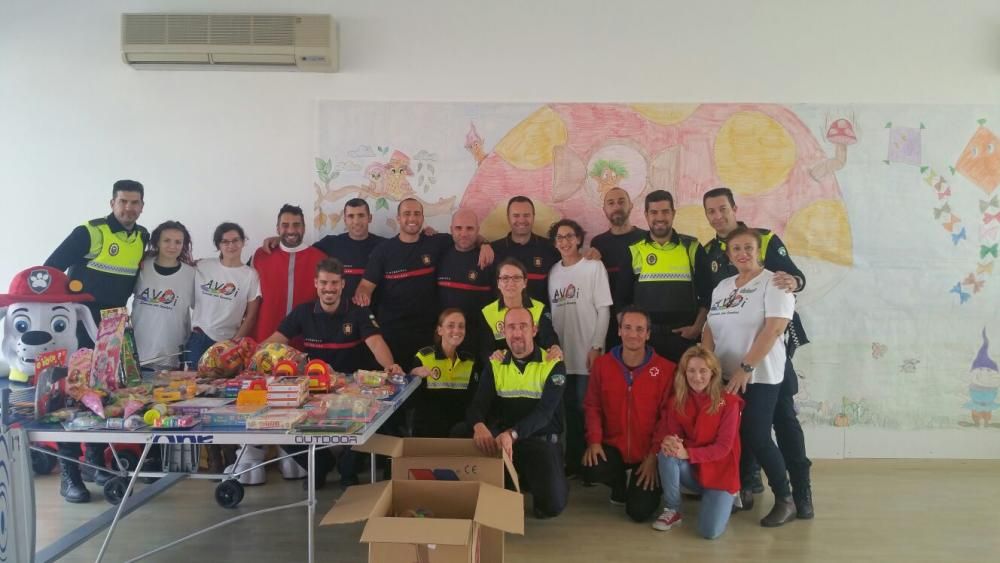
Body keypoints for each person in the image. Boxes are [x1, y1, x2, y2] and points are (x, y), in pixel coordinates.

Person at [702, 186, 813, 518]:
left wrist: (746, 368)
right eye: (736, 249)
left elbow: (774, 328)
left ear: (759, 249)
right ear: (728, 254)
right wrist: (708, 365)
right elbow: (709, 325)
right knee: (737, 434)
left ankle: (791, 497)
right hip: (725, 375)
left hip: (761, 374)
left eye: (748, 248)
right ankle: (742, 490)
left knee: (765, 431)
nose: (742, 253)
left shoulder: (774, 281)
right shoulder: (723, 286)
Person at [44, 179, 149, 503]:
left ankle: (93, 464)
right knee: (72, 400)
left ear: (142, 206)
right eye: (123, 202)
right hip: (77, 330)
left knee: (104, 398)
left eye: (135, 203)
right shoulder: (90, 232)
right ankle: (70, 475)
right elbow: (50, 270)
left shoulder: (142, 236)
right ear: (112, 203)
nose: (129, 208)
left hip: (112, 330)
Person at [263, 257, 402, 487]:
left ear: (343, 285)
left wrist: (389, 366)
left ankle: (348, 467)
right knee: (277, 422)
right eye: (324, 283)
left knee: (377, 420)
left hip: (351, 390)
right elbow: (274, 344)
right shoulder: (302, 312)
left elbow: (376, 343)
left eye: (334, 283)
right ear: (316, 283)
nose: (329, 288)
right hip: (313, 391)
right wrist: (250, 356)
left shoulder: (358, 312)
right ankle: (319, 464)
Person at [466, 307, 569, 518]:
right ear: (504, 331)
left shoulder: (553, 364)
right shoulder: (496, 363)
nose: (517, 333)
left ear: (534, 330)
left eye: (523, 326)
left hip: (538, 441)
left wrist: (512, 434)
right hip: (504, 444)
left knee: (552, 508)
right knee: (462, 432)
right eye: (512, 327)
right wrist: (479, 426)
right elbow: (477, 405)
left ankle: (547, 481)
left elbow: (545, 413)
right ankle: (510, 484)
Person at [582, 306, 674, 522]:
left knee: (639, 513)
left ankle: (647, 483)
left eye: (640, 329)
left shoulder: (667, 369)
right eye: (628, 328)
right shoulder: (602, 365)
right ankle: (618, 484)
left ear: (648, 334)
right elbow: (592, 406)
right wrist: (594, 442)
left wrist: (654, 457)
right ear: (619, 331)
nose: (633, 334)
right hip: (614, 448)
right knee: (591, 468)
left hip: (649, 453)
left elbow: (668, 418)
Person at [652, 345, 743, 539]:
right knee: (667, 451)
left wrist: (688, 454)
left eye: (703, 371)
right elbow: (674, 436)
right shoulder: (678, 401)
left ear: (713, 373)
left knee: (708, 532)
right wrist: (670, 442)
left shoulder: (728, 402)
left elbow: (724, 448)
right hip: (694, 472)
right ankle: (673, 509)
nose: (697, 377)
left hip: (720, 475)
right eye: (691, 371)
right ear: (684, 373)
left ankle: (728, 497)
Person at [547, 218, 612, 477]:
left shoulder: (594, 267)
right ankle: (574, 465)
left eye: (569, 236)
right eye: (559, 237)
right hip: (562, 356)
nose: (564, 241)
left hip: (588, 355)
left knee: (589, 412)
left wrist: (596, 346)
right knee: (568, 413)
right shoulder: (553, 272)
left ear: (578, 239)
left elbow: (604, 310)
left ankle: (593, 469)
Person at [615, 190, 712, 363]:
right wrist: (631, 334)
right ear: (646, 215)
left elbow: (708, 295)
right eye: (654, 212)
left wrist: (697, 328)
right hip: (646, 342)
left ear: (673, 213)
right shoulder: (634, 250)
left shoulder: (692, 247)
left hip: (684, 341)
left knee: (683, 390)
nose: (660, 217)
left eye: (665, 211)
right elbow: (621, 300)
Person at [183, 222, 261, 369]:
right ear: (218, 245)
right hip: (199, 338)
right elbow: (176, 264)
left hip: (228, 342)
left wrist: (234, 344)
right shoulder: (202, 266)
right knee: (195, 386)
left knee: (224, 388)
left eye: (236, 240)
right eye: (225, 241)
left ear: (243, 242)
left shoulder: (250, 275)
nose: (231, 245)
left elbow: (251, 316)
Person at [250, 204, 326, 343]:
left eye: (296, 225)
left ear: (304, 228)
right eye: (285, 225)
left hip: (305, 339)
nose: (291, 230)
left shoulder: (320, 259)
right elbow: (248, 297)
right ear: (277, 228)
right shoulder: (261, 255)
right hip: (265, 338)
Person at [589, 187, 647, 350]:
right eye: (611, 203)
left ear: (631, 205)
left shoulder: (646, 239)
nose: (616, 206)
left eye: (621, 202)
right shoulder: (598, 243)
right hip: (609, 322)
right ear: (604, 210)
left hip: (641, 322)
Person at [132, 221, 195, 370]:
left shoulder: (191, 274)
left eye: (178, 242)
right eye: (167, 240)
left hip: (171, 355)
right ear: (157, 242)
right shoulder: (141, 267)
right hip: (137, 353)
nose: (172, 246)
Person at [436, 209, 494, 358]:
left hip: (480, 342)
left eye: (470, 228)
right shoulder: (439, 252)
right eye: (458, 228)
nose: (464, 233)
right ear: (451, 230)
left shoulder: (489, 258)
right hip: (445, 341)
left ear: (478, 230)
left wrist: (485, 243)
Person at [410, 309, 476, 438]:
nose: (456, 330)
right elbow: (411, 402)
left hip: (459, 435)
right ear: (440, 330)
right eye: (450, 326)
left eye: (461, 326)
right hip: (428, 435)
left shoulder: (470, 361)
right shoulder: (424, 357)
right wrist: (413, 374)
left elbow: (473, 403)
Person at [480, 258, 560, 360]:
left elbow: (549, 338)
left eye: (516, 278)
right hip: (502, 370)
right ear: (498, 283)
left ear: (525, 282)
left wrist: (554, 347)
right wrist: (492, 354)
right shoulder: (487, 313)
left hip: (535, 369)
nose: (511, 283)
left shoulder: (539, 308)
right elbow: (484, 349)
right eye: (505, 278)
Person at [312, 198, 386, 301]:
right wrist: (280, 242)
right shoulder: (331, 243)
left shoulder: (384, 246)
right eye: (351, 216)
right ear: (345, 220)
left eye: (361, 215)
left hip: (375, 313)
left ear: (370, 218)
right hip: (340, 313)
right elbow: (303, 253)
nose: (356, 221)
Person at [490, 196, 561, 304]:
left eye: (526, 215)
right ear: (508, 218)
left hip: (541, 318)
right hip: (504, 319)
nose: (521, 220)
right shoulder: (493, 250)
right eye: (516, 215)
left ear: (533, 216)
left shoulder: (550, 248)